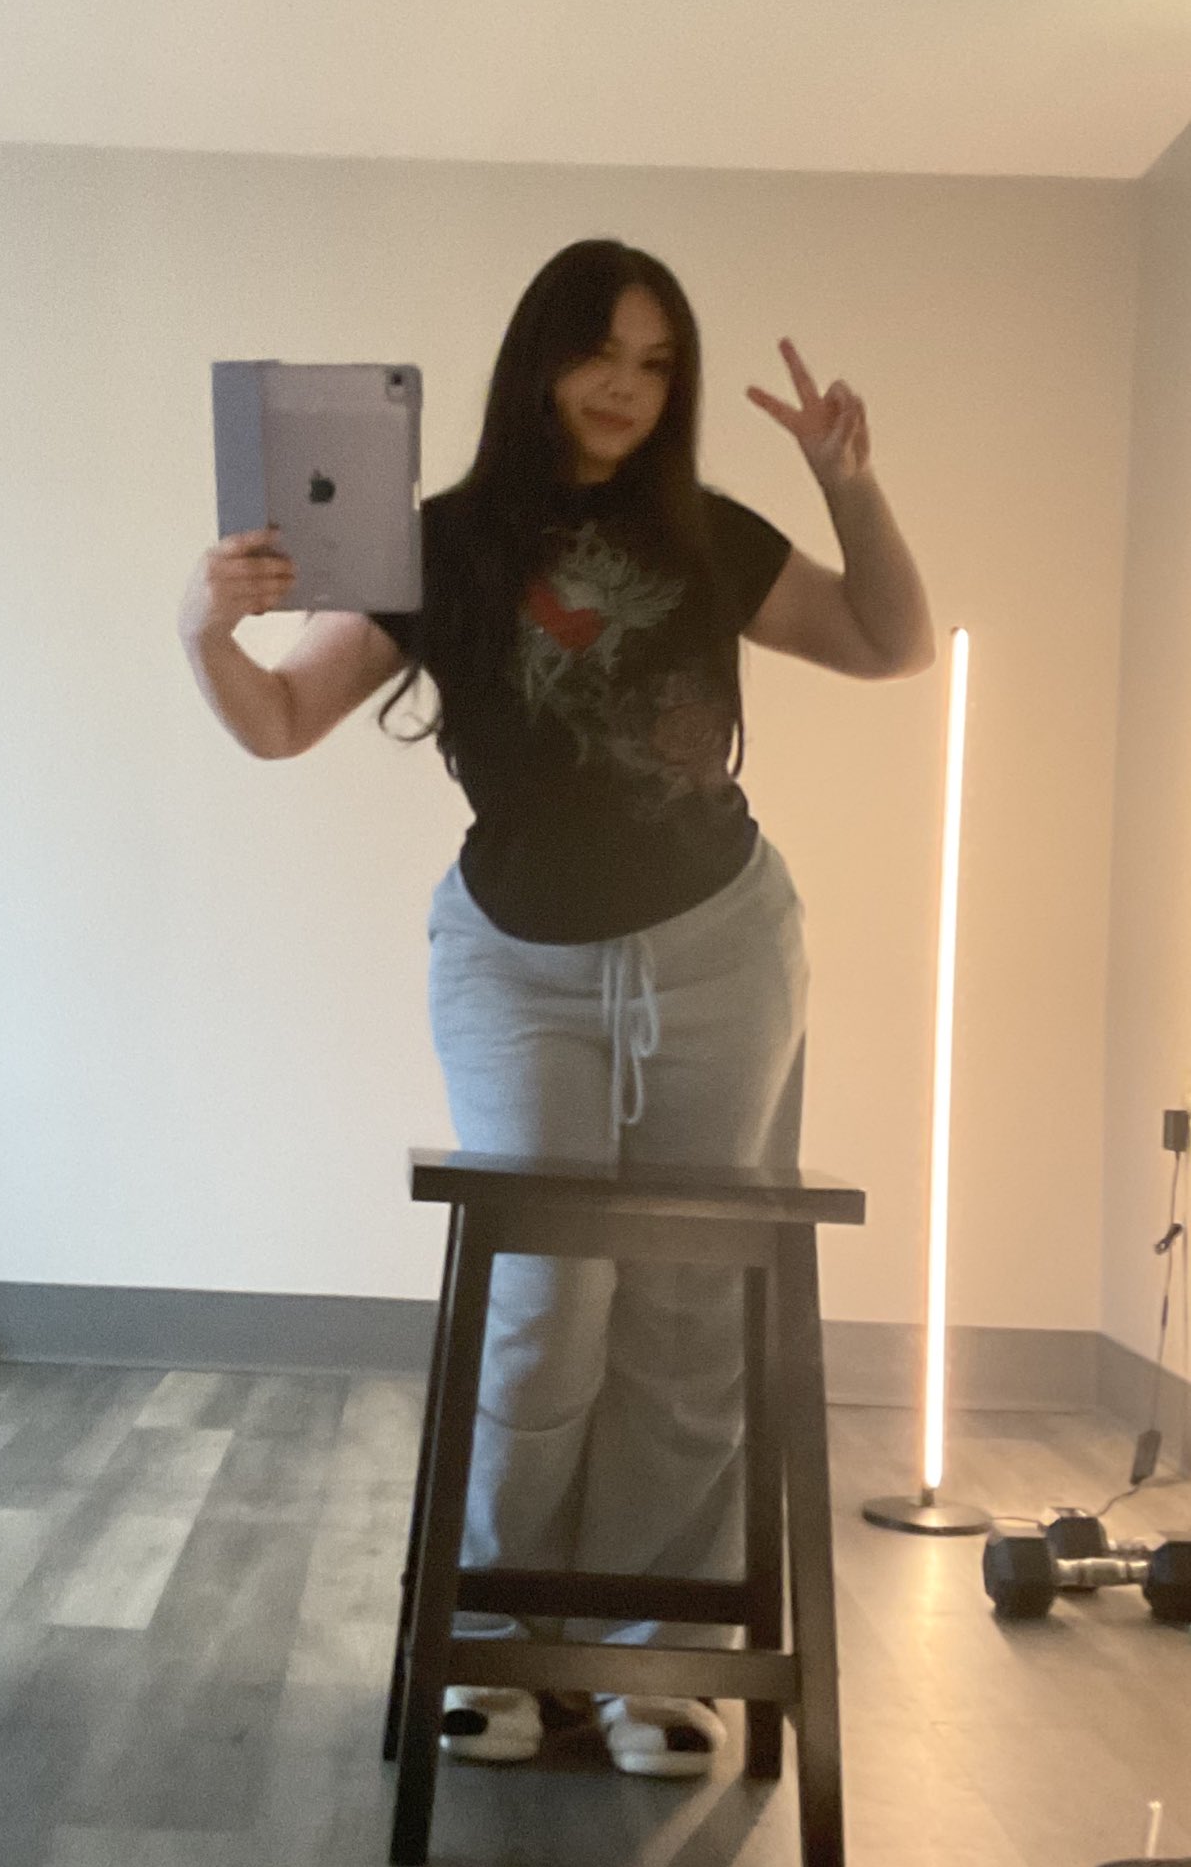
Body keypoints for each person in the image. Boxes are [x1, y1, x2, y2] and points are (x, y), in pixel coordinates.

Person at [178, 237, 935, 1782]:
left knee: (688, 1305)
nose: (626, 387)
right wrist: (202, 623)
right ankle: (503, 1634)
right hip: (516, 965)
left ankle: (654, 1656)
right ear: (540, 358)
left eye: (658, 364)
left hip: (723, 949)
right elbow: (280, 718)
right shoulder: (440, 543)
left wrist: (851, 484)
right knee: (544, 1303)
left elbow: (889, 642)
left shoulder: (708, 535)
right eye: (602, 352)